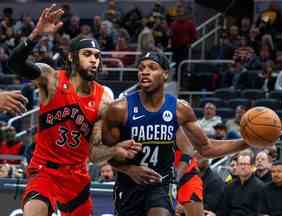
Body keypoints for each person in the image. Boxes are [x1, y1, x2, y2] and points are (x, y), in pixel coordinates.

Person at [7, 4, 141, 216]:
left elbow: (94, 154)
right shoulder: (51, 79)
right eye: (87, 54)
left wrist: (114, 150)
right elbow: (14, 64)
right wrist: (36, 34)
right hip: (45, 171)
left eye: (97, 56)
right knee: (34, 211)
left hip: (77, 176)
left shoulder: (104, 97)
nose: (94, 60)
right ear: (71, 57)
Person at [102, 51, 250, 216]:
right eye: (141, 68)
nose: (144, 71)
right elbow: (103, 153)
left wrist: (247, 142)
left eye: (152, 67)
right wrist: (130, 169)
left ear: (165, 74)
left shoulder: (180, 109)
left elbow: (206, 148)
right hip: (128, 185)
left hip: (160, 184)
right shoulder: (119, 109)